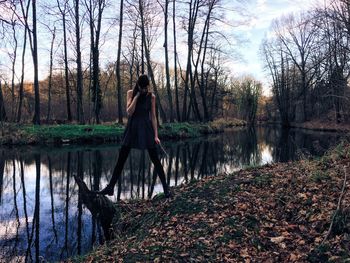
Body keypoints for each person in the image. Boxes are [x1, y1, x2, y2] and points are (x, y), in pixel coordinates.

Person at [97, 74, 171, 198]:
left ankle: (166, 188)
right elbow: (129, 111)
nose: (144, 90)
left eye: (146, 88)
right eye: (142, 88)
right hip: (132, 127)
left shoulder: (151, 96)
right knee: (121, 159)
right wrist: (136, 97)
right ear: (138, 85)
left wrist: (156, 135)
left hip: (146, 128)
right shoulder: (130, 93)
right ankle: (110, 187)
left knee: (156, 160)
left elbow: (153, 116)